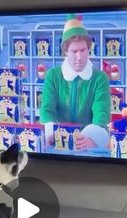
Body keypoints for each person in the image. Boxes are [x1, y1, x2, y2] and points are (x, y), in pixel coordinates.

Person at [40, 14, 111, 150]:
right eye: (74, 51)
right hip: (58, 145)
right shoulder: (53, 76)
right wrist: (50, 133)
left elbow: (101, 113)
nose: (79, 57)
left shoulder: (100, 78)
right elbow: (47, 109)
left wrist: (93, 139)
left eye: (83, 50)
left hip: (87, 148)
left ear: (88, 48)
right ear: (66, 51)